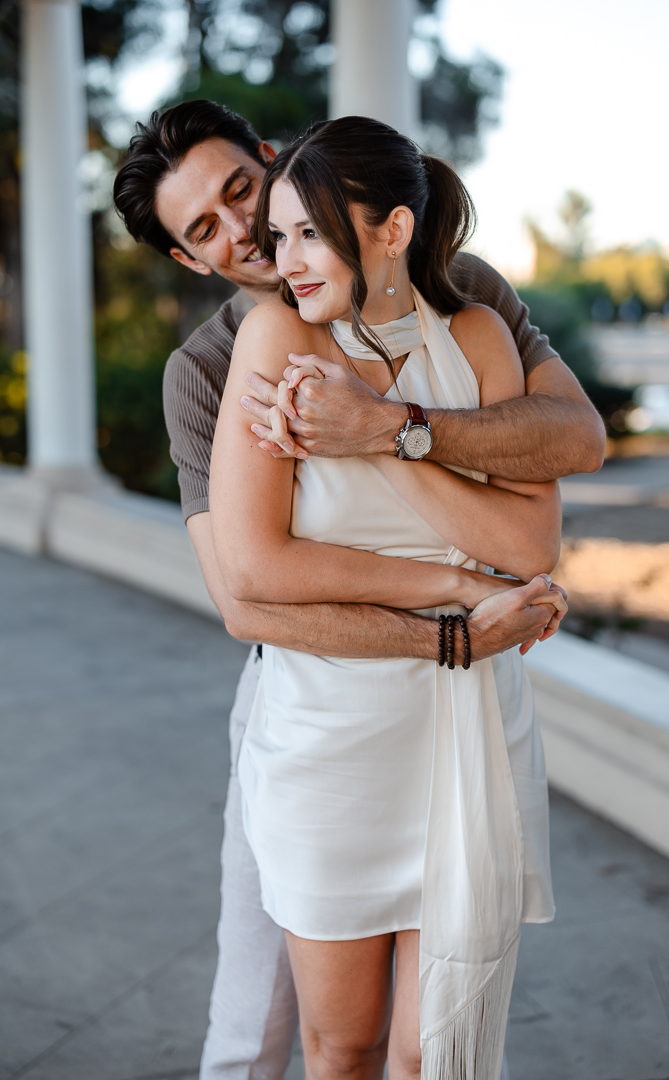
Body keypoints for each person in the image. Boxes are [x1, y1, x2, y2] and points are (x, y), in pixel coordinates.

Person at [112, 100, 603, 1080]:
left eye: (243, 193)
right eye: (204, 229)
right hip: (312, 683)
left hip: (462, 710)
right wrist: (459, 608)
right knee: (269, 1023)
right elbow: (250, 596)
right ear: (190, 262)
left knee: (436, 1043)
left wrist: (390, 427)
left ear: (273, 160)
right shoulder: (218, 365)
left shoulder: (469, 301)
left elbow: (575, 443)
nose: (246, 233)